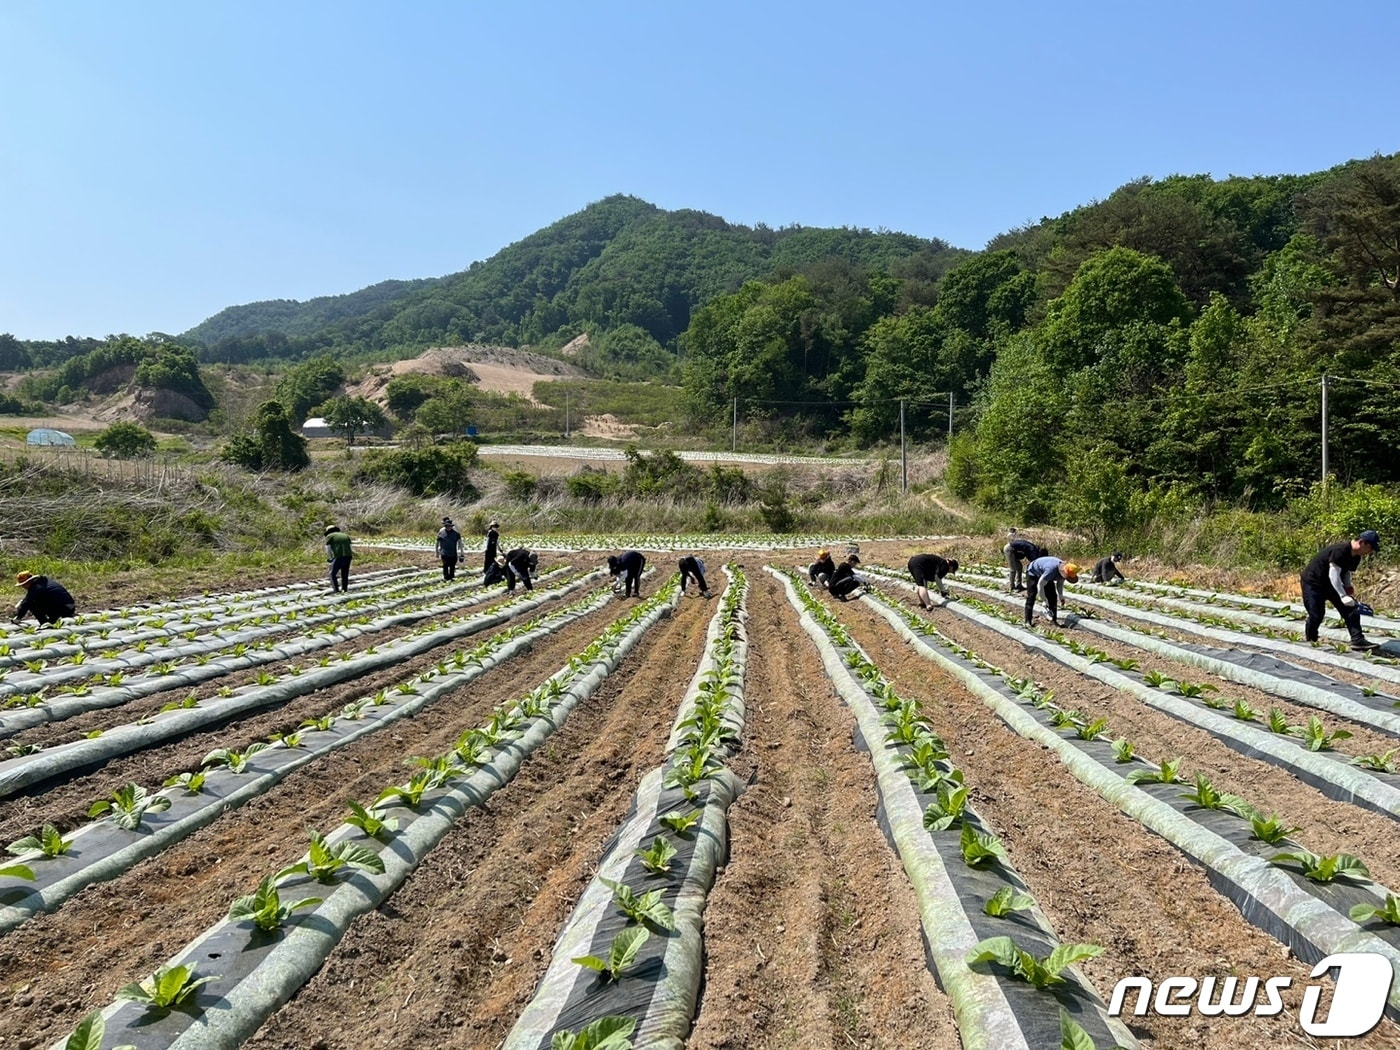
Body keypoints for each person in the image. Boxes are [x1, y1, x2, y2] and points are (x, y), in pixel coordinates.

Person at [1300, 530, 1380, 651]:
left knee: (1351, 609)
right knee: (1317, 614)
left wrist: (1347, 587)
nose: (1370, 552)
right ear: (1362, 542)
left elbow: (1346, 571)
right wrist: (1342, 595)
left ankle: (1357, 640)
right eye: (1370, 548)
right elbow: (1334, 574)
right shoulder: (1340, 550)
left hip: (1331, 584)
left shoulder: (1356, 556)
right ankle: (1311, 640)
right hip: (1313, 583)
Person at [1024, 556, 1078, 626]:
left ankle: (1053, 621)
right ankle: (1027, 621)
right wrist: (1044, 600)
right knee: (1032, 596)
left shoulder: (1063, 570)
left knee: (1053, 596)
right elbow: (1040, 585)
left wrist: (1061, 596)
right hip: (1033, 573)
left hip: (1044, 574)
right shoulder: (1051, 570)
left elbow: (1060, 584)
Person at [325, 525, 353, 593]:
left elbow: (328, 548)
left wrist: (330, 558)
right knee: (344, 574)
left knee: (332, 574)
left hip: (338, 556)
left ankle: (336, 590)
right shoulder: (345, 535)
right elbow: (350, 547)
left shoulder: (329, 536)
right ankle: (344, 590)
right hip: (348, 556)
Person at [436, 517, 464, 581]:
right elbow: (437, 542)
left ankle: (451, 577)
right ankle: (446, 577)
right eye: (446, 526)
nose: (448, 527)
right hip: (444, 552)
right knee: (445, 565)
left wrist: (462, 553)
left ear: (451, 526)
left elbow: (460, 543)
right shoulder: (441, 532)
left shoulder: (456, 534)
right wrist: (437, 552)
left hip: (453, 552)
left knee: (452, 565)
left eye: (449, 526)